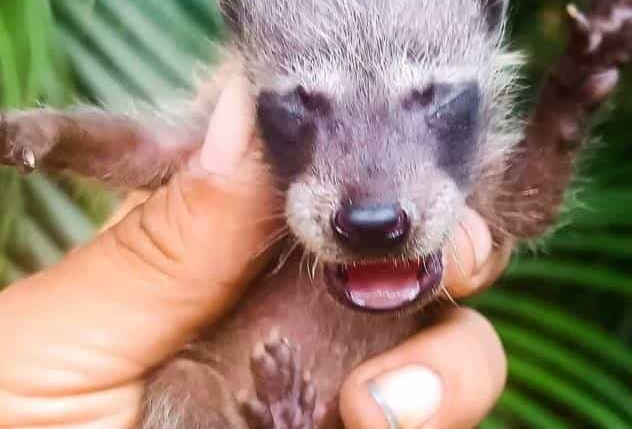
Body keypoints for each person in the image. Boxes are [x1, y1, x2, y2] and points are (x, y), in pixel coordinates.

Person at [0, 74, 511, 429]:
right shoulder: (258, 128)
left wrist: (566, 100)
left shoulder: (448, 159)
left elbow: (519, 206)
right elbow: (147, 148)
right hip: (209, 399)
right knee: (181, 386)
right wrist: (51, 134)